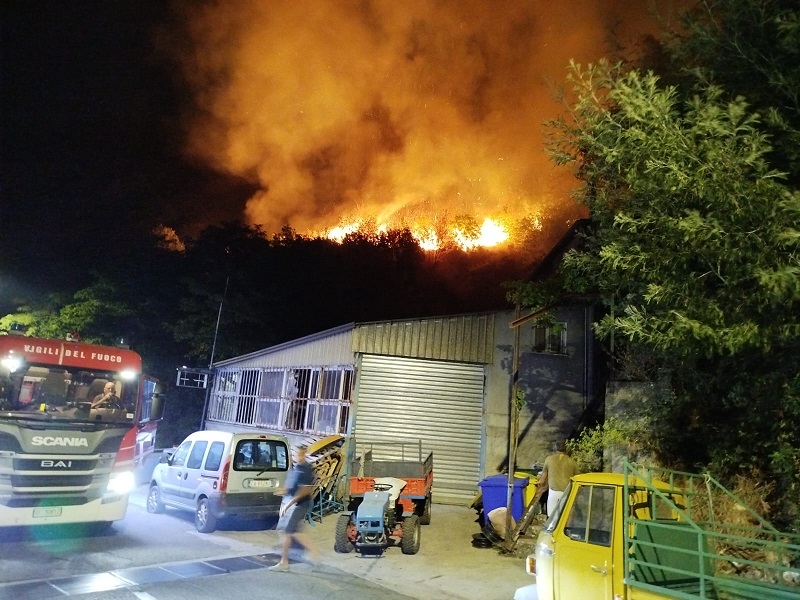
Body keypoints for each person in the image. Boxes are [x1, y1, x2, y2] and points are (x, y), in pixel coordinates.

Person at [268, 443, 317, 572]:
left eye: (302, 453)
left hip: (300, 504)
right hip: (291, 502)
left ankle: (285, 563)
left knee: (288, 532)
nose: (299, 456)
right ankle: (313, 554)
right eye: (297, 453)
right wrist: (281, 491)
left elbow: (305, 491)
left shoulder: (306, 469)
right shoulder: (296, 468)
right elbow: (291, 488)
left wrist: (289, 504)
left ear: (305, 453)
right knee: (292, 532)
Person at [534, 440, 579, 517]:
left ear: (555, 448)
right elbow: (578, 479)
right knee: (565, 517)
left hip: (553, 493)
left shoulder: (549, 459)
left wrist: (539, 490)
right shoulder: (572, 462)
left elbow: (543, 480)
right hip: (567, 493)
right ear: (567, 449)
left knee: (551, 518)